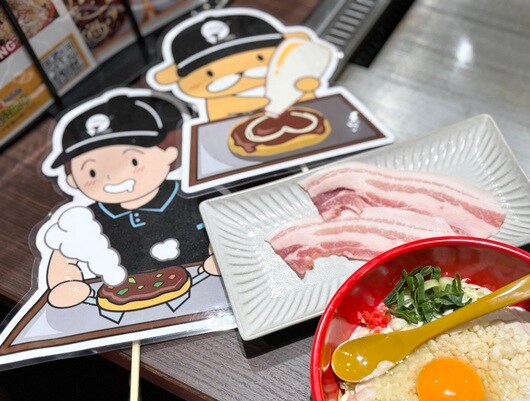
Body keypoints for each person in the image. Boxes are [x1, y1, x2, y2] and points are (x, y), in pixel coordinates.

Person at [43, 90, 219, 308]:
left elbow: (224, 222)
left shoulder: (191, 194)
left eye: (133, 162)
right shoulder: (85, 221)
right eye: (92, 173)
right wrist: (65, 284)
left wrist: (219, 254)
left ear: (170, 152)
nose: (111, 177)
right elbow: (64, 254)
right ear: (72, 180)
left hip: (210, 293)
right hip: (125, 311)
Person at [149, 11, 325, 121]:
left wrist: (303, 86)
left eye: (259, 58)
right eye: (210, 73)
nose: (240, 71)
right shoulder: (215, 104)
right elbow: (220, 117)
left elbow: (312, 100)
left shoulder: (289, 75)